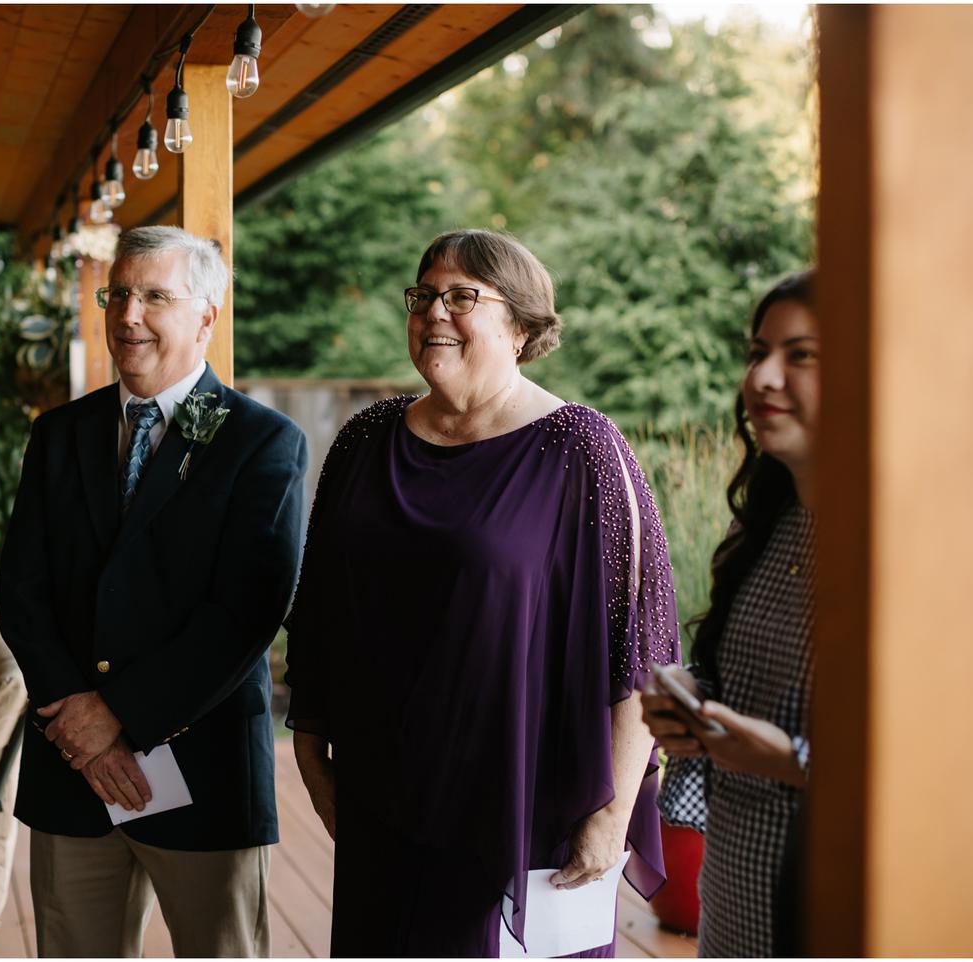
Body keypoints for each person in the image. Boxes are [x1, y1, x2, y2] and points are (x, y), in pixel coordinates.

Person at [283, 228, 681, 957]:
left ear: (521, 325)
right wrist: (312, 762)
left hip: (526, 801)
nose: (435, 312)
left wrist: (614, 812)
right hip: (383, 801)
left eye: (462, 296)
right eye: (423, 296)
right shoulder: (364, 439)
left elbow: (643, 642)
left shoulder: (582, 448)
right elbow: (318, 614)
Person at [0, 225, 307, 957]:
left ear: (206, 316)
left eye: (155, 297)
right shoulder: (59, 434)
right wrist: (81, 731)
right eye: (119, 294)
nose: (128, 315)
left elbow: (245, 613)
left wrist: (120, 720)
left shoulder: (260, 442)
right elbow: (23, 589)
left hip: (201, 772)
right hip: (70, 770)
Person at [640, 271, 817, 957]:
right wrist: (691, 706)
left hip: (833, 907)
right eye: (756, 352)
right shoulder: (767, 527)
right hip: (734, 902)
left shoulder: (903, 552)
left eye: (800, 354)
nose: (764, 377)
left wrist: (795, 761)